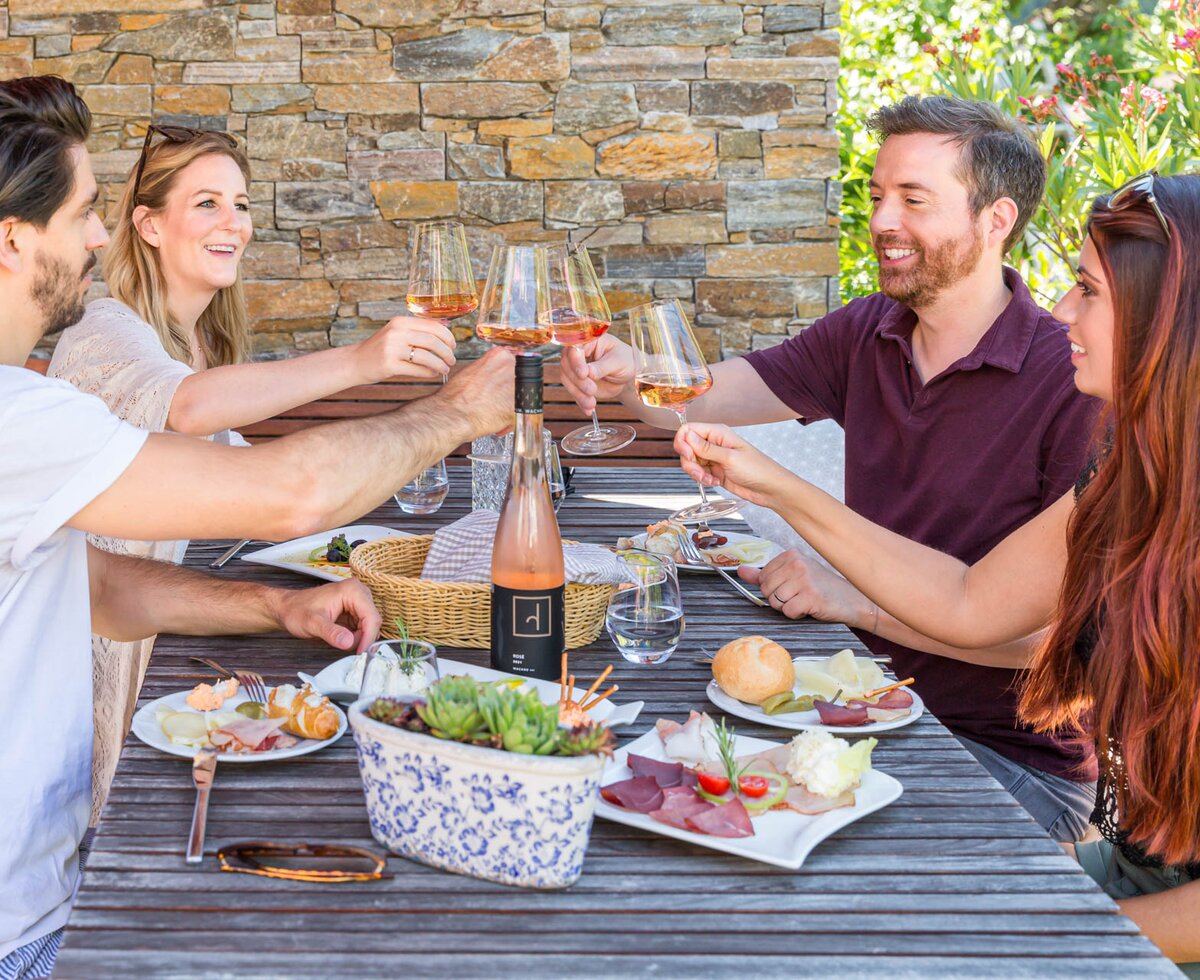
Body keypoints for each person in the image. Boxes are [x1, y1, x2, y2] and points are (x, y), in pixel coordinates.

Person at [0, 75, 513, 977]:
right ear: (13, 239)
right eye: (85, 213)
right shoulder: (22, 412)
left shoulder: (31, 407)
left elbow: (93, 582)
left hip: (56, 866)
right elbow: (286, 492)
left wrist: (270, 609)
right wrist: (457, 413)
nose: (96, 235)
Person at [672, 170, 1200, 970]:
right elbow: (967, 598)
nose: (1063, 310)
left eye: (1087, 291)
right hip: (1134, 864)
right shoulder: (1131, 477)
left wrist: (1043, 932)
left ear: (1169, 320)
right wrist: (778, 487)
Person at [561, 95, 1101, 839]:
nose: (882, 220)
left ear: (996, 220)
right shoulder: (868, 331)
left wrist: (854, 602)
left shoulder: (1073, 381)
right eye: (879, 195)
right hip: (859, 709)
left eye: (914, 200)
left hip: (1004, 757)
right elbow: (705, 398)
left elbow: (1053, 646)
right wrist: (629, 373)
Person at [46, 125, 459, 820]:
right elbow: (190, 408)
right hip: (108, 657)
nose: (232, 224)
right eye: (206, 203)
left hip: (172, 623)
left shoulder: (202, 340)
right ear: (147, 224)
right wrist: (362, 363)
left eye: (240, 205)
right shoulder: (105, 329)